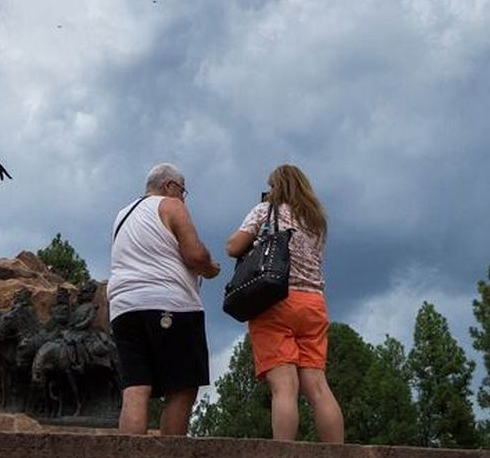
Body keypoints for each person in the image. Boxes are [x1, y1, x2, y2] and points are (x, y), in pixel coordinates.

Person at [225, 164, 345, 443]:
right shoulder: (316, 221)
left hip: (275, 300)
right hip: (314, 303)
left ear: (277, 187)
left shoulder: (266, 211)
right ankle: (340, 457)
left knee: (284, 387)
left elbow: (233, 246)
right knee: (317, 385)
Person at [107, 163, 221, 435]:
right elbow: (194, 254)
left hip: (123, 309)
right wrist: (209, 267)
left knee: (135, 389)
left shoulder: (122, 215)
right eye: (183, 191)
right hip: (169, 303)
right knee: (181, 387)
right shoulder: (171, 206)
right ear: (169, 186)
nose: (183, 197)